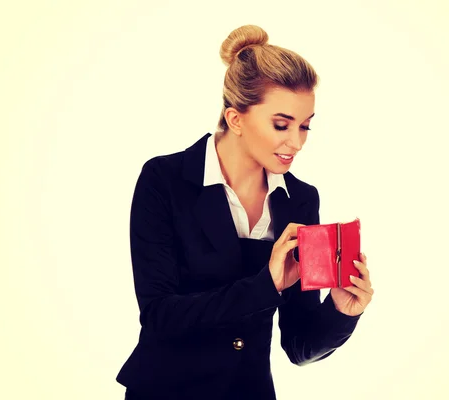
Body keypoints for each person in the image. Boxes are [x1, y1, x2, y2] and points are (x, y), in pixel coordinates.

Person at [116, 24, 374, 400]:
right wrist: (265, 285)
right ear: (235, 119)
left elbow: (299, 345)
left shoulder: (300, 200)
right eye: (282, 125)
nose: (296, 142)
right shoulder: (165, 180)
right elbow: (160, 317)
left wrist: (341, 311)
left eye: (305, 126)